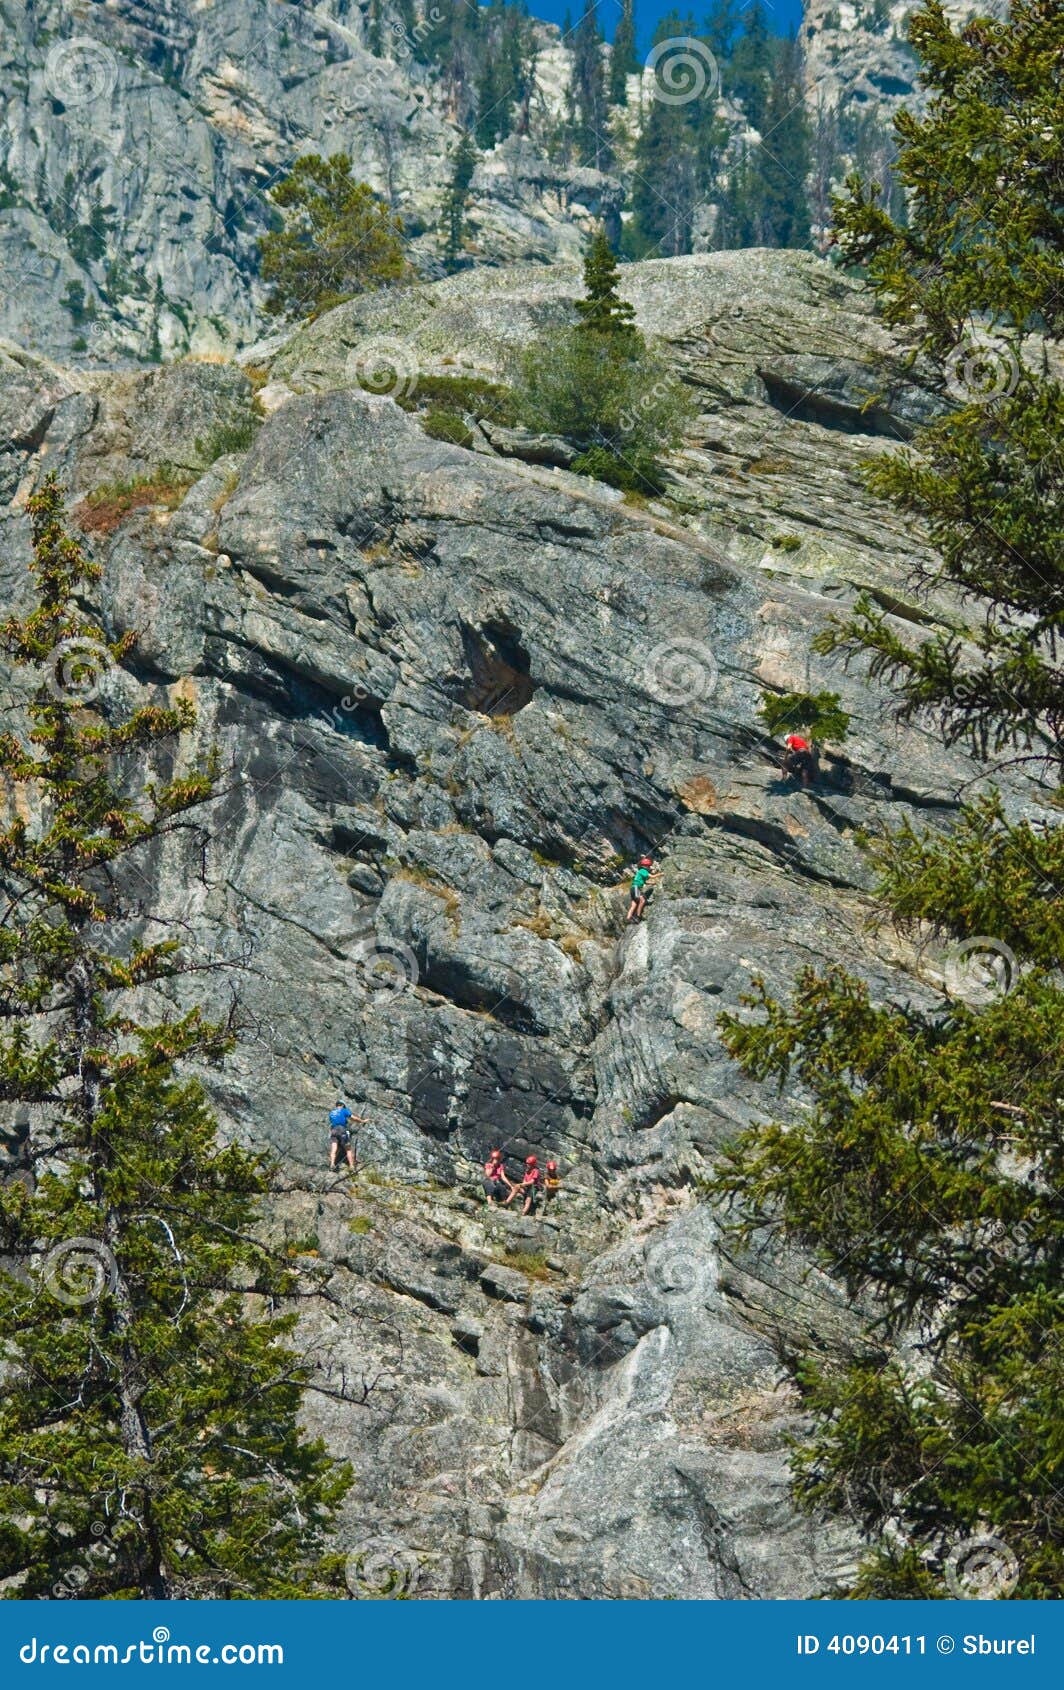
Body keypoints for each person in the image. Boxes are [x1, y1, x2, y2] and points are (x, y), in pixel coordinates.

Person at [328, 1099, 366, 1171]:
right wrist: (362, 1121)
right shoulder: (344, 1110)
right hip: (342, 1130)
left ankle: (332, 1164)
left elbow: (332, 1122)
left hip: (333, 1131)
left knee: (334, 1149)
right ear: (342, 1105)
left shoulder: (331, 1113)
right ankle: (351, 1166)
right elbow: (353, 1118)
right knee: (348, 1149)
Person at [626, 856, 660, 923]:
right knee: (642, 900)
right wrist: (661, 874)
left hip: (633, 888)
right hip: (636, 888)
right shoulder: (643, 870)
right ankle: (638, 916)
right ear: (645, 866)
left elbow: (645, 882)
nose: (649, 867)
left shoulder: (640, 872)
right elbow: (652, 876)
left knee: (634, 905)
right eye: (648, 866)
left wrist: (652, 883)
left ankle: (628, 918)